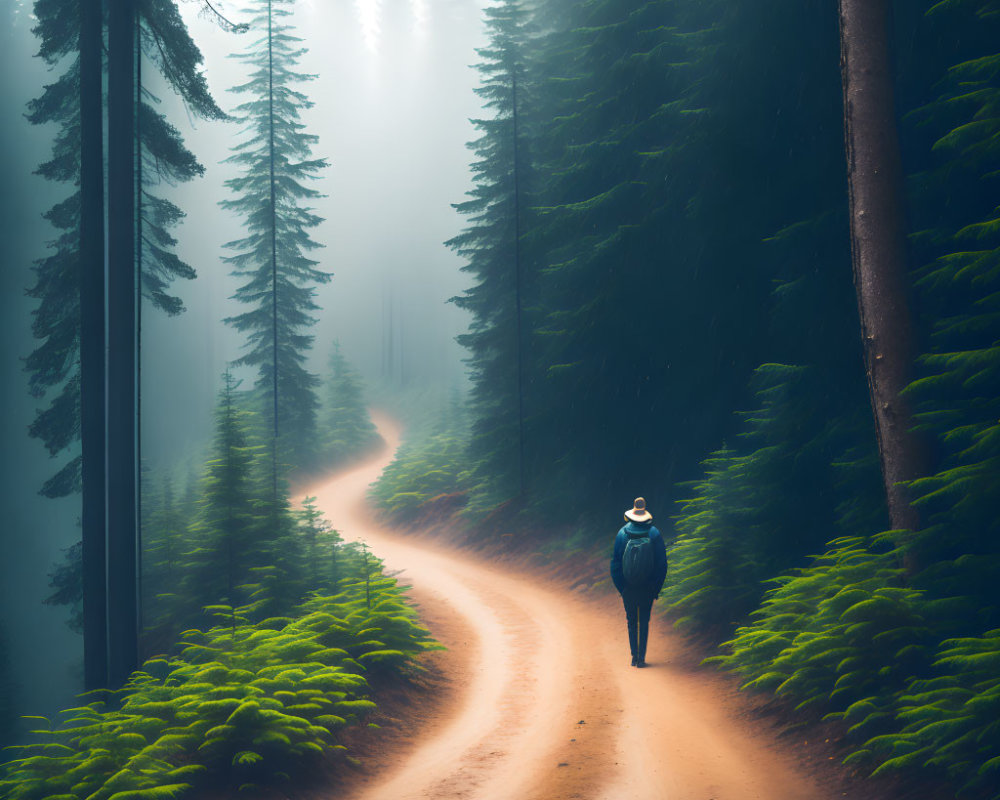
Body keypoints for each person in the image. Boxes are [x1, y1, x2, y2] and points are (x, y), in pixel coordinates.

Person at [610, 497, 668, 667]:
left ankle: (634, 656)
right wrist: (655, 588)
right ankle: (642, 658)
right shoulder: (654, 534)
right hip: (647, 587)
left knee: (631, 621)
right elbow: (661, 565)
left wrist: (622, 588)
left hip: (628, 587)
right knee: (644, 621)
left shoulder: (622, 534)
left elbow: (615, 564)